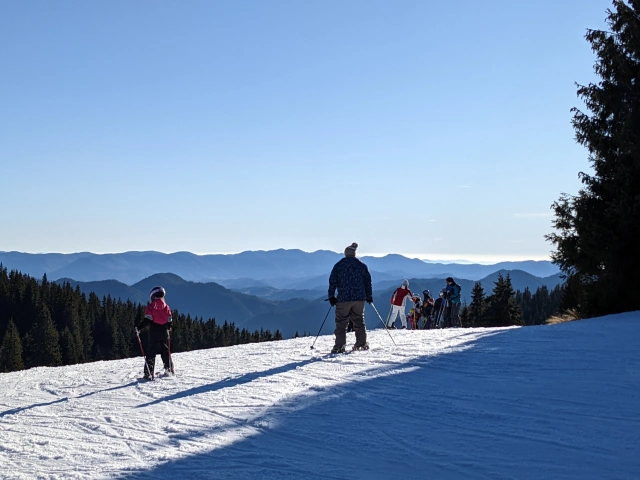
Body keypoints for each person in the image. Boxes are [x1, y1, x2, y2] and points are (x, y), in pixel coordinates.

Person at [328, 243, 373, 353]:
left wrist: (331, 296)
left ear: (345, 253)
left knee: (341, 323)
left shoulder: (339, 265)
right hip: (359, 299)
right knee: (358, 320)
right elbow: (368, 282)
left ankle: (339, 346)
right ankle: (361, 343)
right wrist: (369, 296)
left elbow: (332, 281)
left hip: (343, 298)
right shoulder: (362, 265)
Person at [136, 286, 173, 379]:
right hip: (164, 331)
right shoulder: (166, 307)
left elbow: (147, 320)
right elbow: (169, 321)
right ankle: (169, 369)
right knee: (165, 350)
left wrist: (139, 328)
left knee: (151, 352)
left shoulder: (150, 307)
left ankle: (149, 373)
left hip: (154, 332)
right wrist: (169, 328)